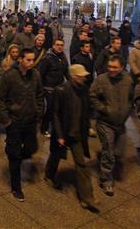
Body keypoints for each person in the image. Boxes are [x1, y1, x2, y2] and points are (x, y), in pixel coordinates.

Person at [44, 64, 99, 213]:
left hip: (77, 134)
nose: (84, 77)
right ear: (74, 77)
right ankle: (49, 174)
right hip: (64, 133)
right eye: (81, 76)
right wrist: (60, 135)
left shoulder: (84, 90)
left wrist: (87, 126)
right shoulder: (61, 90)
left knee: (81, 165)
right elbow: (55, 114)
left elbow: (86, 111)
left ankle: (87, 198)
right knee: (55, 155)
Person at [0, 48, 44, 202]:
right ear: (20, 59)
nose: (31, 63)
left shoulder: (35, 75)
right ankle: (16, 187)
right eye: (28, 60)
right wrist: (6, 121)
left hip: (30, 121)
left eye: (32, 60)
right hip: (14, 122)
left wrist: (39, 113)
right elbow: (0, 99)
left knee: (31, 148)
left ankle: (15, 156)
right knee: (14, 155)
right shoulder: (9, 76)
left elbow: (40, 95)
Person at [90, 55, 134, 197]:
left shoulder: (127, 79)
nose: (112, 69)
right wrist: (104, 109)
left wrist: (128, 110)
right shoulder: (101, 80)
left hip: (120, 123)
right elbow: (92, 96)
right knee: (108, 151)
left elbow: (131, 97)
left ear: (122, 67)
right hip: (105, 122)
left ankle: (106, 159)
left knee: (118, 151)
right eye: (110, 66)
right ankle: (106, 180)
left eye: (115, 67)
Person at [38, 39, 69, 137]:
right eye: (57, 45)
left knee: (58, 109)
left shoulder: (63, 57)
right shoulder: (47, 58)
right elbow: (40, 73)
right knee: (50, 108)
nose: (60, 47)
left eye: (61, 45)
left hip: (59, 87)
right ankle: (44, 128)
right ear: (53, 46)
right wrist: (40, 88)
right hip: (48, 88)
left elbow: (66, 72)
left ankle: (56, 128)